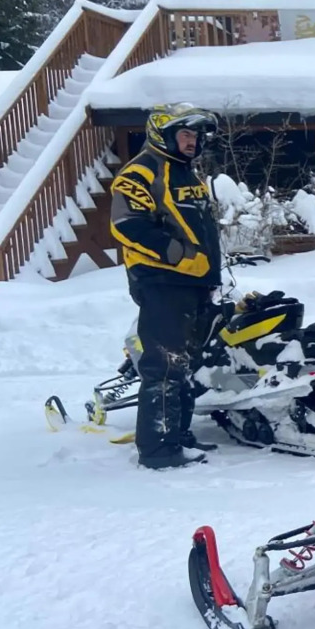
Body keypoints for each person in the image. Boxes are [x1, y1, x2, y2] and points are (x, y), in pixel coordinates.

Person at [110, 104, 223, 469]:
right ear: (164, 134)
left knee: (185, 364)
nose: (192, 142)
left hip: (195, 284)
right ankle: (159, 450)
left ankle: (179, 435)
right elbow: (128, 224)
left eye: (195, 136)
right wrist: (177, 255)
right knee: (165, 366)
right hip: (163, 282)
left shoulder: (186, 173)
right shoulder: (142, 171)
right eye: (185, 135)